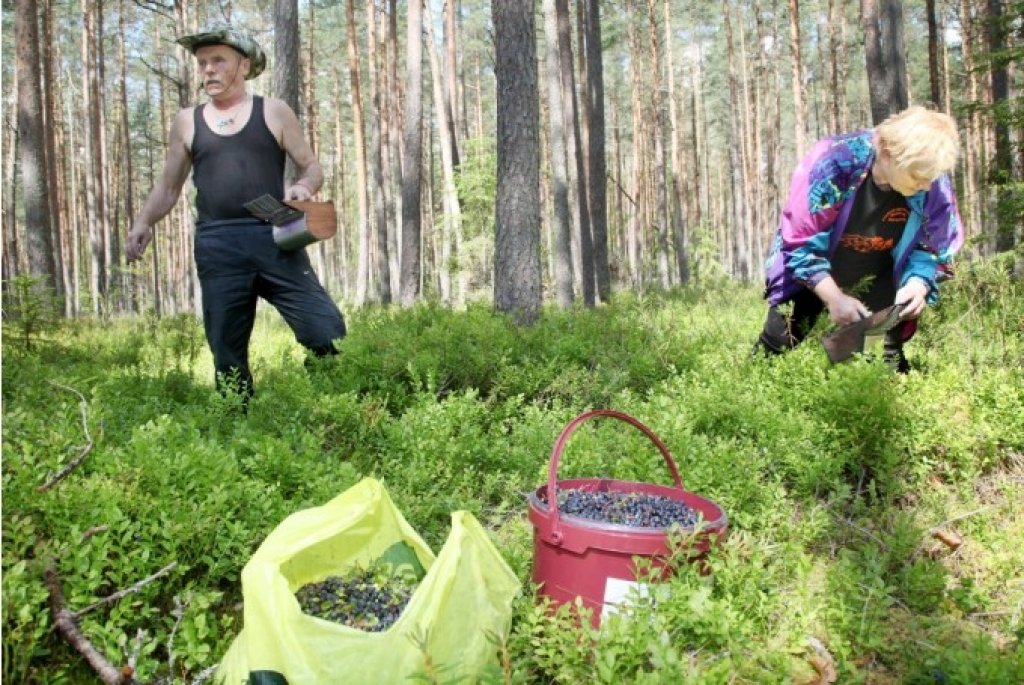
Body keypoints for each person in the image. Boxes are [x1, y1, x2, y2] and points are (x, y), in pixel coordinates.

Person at [126, 25, 345, 400]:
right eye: (202, 62)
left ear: (243, 66)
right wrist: (144, 222)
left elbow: (313, 167)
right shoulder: (187, 122)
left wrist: (304, 188)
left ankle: (322, 403)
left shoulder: (273, 112)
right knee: (226, 354)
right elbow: (168, 187)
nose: (208, 69)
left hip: (276, 235)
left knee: (327, 332)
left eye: (218, 61)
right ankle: (235, 425)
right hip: (218, 244)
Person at [757, 105, 964, 371]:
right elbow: (800, 242)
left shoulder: (932, 181)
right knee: (777, 346)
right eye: (917, 177)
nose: (925, 186)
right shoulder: (835, 161)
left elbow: (935, 246)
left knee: (884, 361)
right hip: (812, 271)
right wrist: (833, 298)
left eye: (930, 178)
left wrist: (918, 283)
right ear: (888, 153)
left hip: (879, 274)